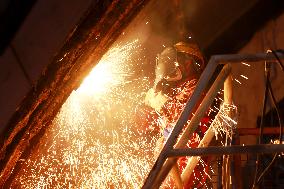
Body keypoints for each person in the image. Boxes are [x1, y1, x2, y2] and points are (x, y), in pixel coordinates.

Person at [144, 41, 211, 188]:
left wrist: (162, 103)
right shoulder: (173, 90)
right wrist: (148, 104)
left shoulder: (195, 88)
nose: (176, 64)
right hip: (173, 153)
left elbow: (181, 115)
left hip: (188, 151)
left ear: (189, 63)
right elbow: (146, 124)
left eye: (181, 59)